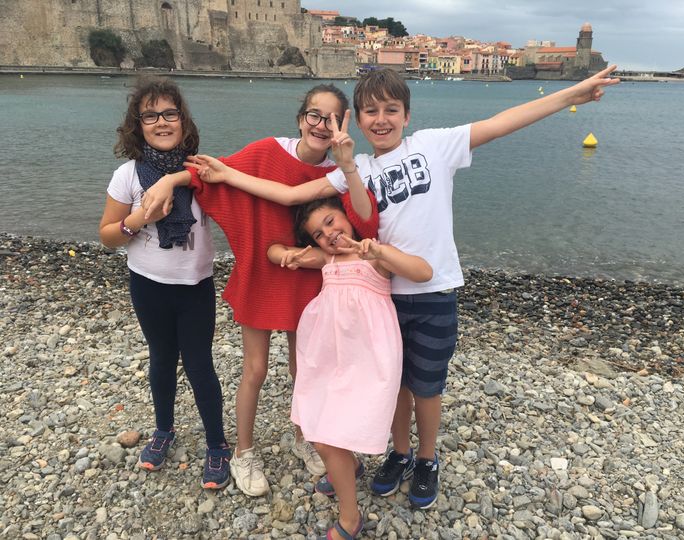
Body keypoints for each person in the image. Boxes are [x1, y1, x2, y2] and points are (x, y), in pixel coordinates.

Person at [146, 65, 620, 508]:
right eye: (370, 110)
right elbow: (289, 196)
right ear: (352, 119)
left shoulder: (433, 146)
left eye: (390, 110)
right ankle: (394, 452)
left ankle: (426, 458)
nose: (381, 118)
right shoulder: (355, 171)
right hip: (385, 295)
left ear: (405, 115)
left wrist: (572, 94)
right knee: (392, 386)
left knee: (426, 387)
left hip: (429, 289)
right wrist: (221, 176)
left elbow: (503, 121)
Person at [140, 85, 379, 496]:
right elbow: (214, 172)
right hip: (262, 275)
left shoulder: (340, 172)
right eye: (314, 115)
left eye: (332, 118)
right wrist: (171, 181)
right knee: (255, 369)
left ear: (344, 124)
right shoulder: (269, 151)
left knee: (304, 368)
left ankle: (303, 437)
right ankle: (244, 453)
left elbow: (360, 232)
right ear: (301, 117)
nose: (321, 126)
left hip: (308, 280)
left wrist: (310, 256)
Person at [269, 196, 432, 539]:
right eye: (317, 233)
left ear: (348, 215)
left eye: (330, 221)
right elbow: (275, 250)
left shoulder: (374, 256)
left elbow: (423, 271)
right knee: (315, 422)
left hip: (366, 359)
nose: (328, 234)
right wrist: (286, 255)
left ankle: (350, 518)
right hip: (326, 355)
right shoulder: (326, 257)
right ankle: (351, 467)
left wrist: (379, 251)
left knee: (329, 437)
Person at [98, 76, 231, 489]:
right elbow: (106, 236)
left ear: (182, 119)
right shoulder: (127, 175)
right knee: (160, 360)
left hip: (195, 285)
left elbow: (241, 194)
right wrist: (141, 219)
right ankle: (163, 430)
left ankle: (216, 444)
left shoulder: (201, 170)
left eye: (169, 113)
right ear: (138, 125)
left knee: (199, 365)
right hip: (148, 283)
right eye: (150, 115)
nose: (161, 122)